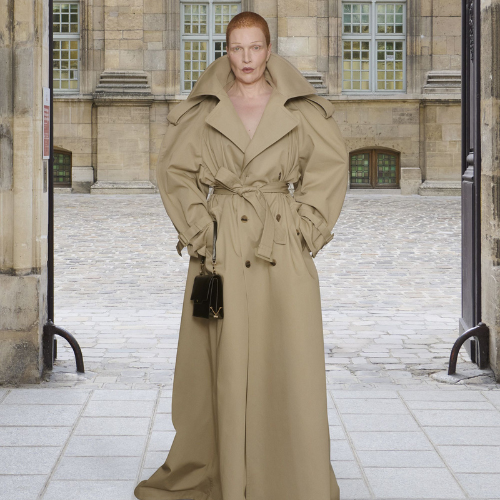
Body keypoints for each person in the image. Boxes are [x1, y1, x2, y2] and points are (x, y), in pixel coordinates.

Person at [134, 11, 348, 500]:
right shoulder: (204, 110)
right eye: (237, 48)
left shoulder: (300, 110)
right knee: (221, 368)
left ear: (269, 50)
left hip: (280, 247)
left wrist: (306, 227)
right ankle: (225, 475)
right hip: (221, 248)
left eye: (255, 47)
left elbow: (330, 166)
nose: (246, 58)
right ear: (225, 51)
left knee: (289, 362)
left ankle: (289, 478)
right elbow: (174, 171)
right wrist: (200, 229)